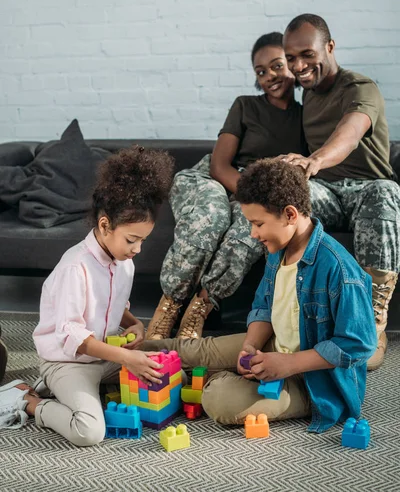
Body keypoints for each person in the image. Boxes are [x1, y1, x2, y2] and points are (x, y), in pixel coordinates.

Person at [143, 159, 376, 431]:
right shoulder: (278, 250)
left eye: (258, 224)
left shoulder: (339, 269)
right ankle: (119, 359)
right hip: (275, 346)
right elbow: (265, 304)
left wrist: (289, 364)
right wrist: (250, 346)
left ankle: (194, 378)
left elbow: (359, 344)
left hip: (313, 382)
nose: (253, 234)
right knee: (190, 349)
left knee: (219, 398)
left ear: (290, 214)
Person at [0, 146, 175, 442]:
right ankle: (29, 401)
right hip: (67, 361)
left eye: (143, 240)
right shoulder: (75, 267)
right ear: (105, 225)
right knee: (89, 431)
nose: (137, 249)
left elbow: (113, 302)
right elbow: (73, 337)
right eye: (132, 240)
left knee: (169, 374)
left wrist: (135, 323)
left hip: (104, 357)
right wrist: (125, 358)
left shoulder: (124, 263)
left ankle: (65, 389)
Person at [146, 32, 307, 341]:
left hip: (256, 193)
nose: (269, 76)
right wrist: (252, 195)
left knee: (250, 230)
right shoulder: (245, 106)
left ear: (293, 64)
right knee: (212, 216)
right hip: (212, 179)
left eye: (276, 66)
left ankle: (199, 308)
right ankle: (168, 307)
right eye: (260, 72)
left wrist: (256, 203)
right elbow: (220, 165)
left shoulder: (307, 116)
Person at [280, 13, 400, 370]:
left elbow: (349, 133)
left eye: (307, 54)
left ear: (329, 47)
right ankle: (288, 313)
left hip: (366, 190)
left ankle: (373, 323)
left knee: (386, 190)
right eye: (291, 59)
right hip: (329, 193)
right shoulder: (306, 94)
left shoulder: (360, 88)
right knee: (288, 201)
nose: (299, 66)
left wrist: (314, 160)